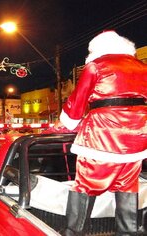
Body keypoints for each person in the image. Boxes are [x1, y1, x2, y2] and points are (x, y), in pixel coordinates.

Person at [55, 31, 147, 235]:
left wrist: (67, 122)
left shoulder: (96, 65)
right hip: (137, 136)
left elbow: (78, 101)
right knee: (127, 183)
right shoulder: (142, 67)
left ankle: (74, 231)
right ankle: (128, 231)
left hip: (103, 135)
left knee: (86, 181)